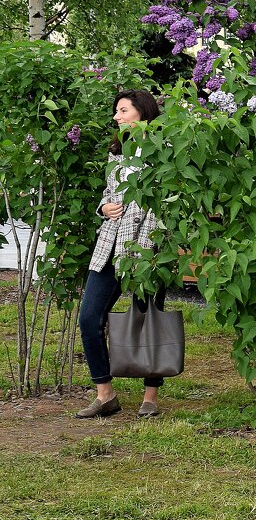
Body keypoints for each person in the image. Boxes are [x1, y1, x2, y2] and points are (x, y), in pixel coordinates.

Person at [76, 90, 166, 419]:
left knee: (149, 319)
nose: (116, 116)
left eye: (122, 110)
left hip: (147, 245)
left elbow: (166, 200)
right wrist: (104, 206)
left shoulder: (164, 149)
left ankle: (151, 397)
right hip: (110, 243)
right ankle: (105, 395)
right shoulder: (118, 150)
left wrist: (149, 247)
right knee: (89, 318)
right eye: (116, 111)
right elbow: (109, 192)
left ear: (142, 113)